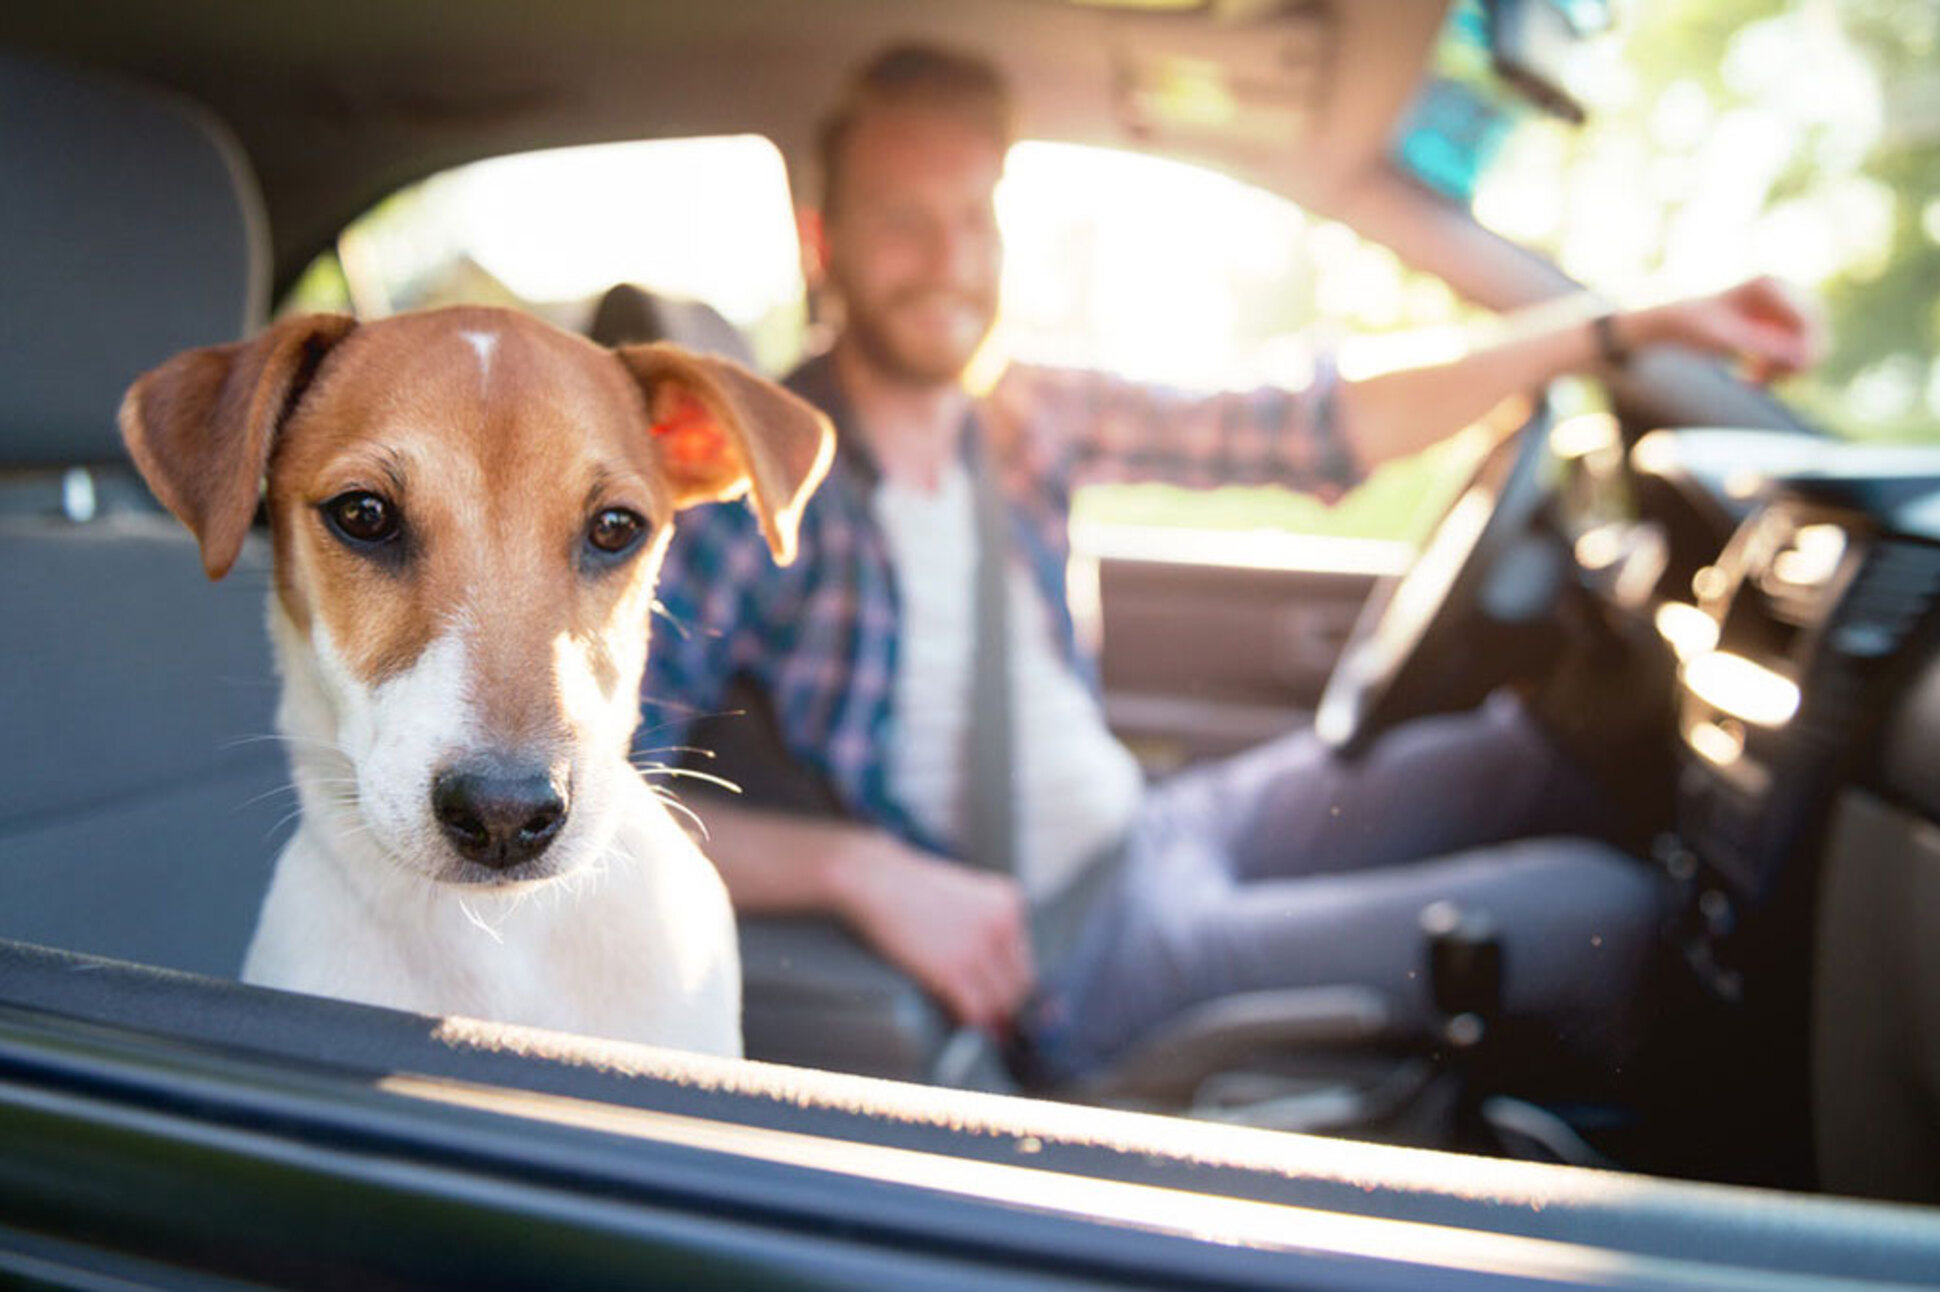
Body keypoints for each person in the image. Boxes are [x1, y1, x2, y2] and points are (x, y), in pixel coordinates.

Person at [642, 43, 1822, 1083]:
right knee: (1599, 912)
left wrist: (1625, 329)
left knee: (1519, 754)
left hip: (1153, 828)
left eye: (976, 216)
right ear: (823, 239)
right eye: (904, 217)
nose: (950, 259)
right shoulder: (745, 489)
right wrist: (857, 870)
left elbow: (1317, 421)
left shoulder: (1020, 413)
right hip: (1076, 954)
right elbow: (602, 802)